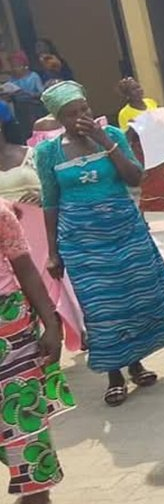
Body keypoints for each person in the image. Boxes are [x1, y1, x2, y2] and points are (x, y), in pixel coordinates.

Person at [33, 80, 164, 406]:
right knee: (101, 307)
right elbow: (50, 201)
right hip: (81, 241)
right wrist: (53, 252)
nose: (81, 117)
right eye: (72, 113)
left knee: (132, 298)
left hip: (124, 231)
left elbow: (135, 177)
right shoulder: (48, 152)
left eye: (84, 108)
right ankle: (114, 373)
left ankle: (136, 363)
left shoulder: (112, 135)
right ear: (59, 119)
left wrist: (105, 142)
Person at [0, 197, 73, 502]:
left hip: (9, 326)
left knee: (23, 418)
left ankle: (36, 495)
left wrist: (51, 324)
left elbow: (25, 267)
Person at [0, 106, 83, 354]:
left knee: (50, 285)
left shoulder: (32, 154)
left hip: (38, 230)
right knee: (20, 288)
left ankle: (64, 332)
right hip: (7, 237)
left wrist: (40, 198)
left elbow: (55, 189)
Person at [116, 77, 164, 230]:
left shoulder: (150, 103)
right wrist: (133, 126)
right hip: (143, 151)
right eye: (134, 89)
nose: (139, 90)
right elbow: (126, 137)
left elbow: (162, 120)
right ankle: (142, 218)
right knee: (148, 184)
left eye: (138, 87)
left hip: (161, 146)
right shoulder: (125, 113)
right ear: (127, 95)